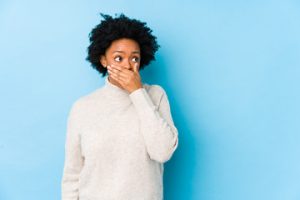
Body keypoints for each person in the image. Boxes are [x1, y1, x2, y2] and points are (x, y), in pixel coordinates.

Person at [61, 13, 179, 200]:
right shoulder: (82, 108)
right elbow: (72, 175)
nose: (127, 65)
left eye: (134, 58)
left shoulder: (155, 95)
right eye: (118, 58)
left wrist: (137, 92)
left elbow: (162, 151)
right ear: (103, 60)